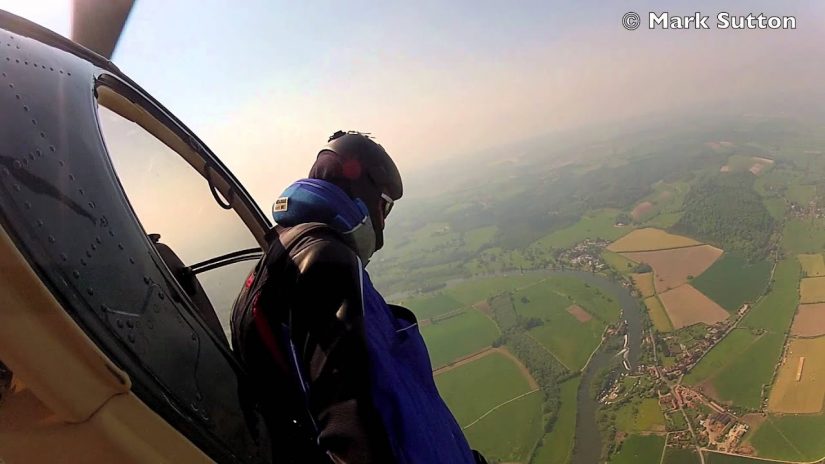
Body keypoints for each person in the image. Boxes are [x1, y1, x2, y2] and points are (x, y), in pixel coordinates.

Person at [231, 131, 486, 463]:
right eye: (384, 207)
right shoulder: (322, 263)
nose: (383, 220)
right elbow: (353, 434)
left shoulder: (289, 254)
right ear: (366, 195)